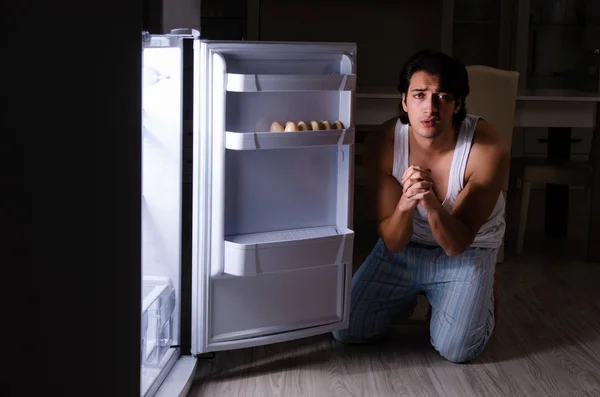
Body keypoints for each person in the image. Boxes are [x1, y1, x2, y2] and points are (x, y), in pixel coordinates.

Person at [333, 50, 509, 363]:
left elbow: (457, 244)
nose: (430, 107)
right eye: (419, 95)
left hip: (466, 252)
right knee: (346, 330)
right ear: (404, 101)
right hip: (404, 248)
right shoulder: (384, 141)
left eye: (442, 96)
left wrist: (429, 201)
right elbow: (392, 241)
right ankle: (407, 296)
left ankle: (482, 295)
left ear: (457, 104)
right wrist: (406, 201)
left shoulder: (488, 146)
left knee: (457, 350)